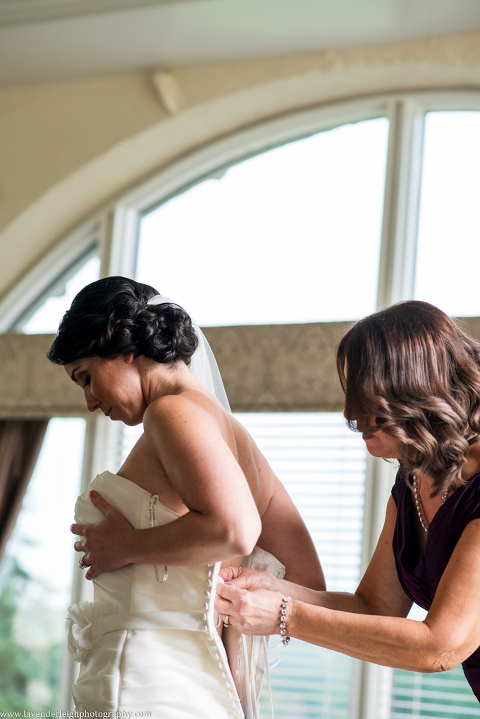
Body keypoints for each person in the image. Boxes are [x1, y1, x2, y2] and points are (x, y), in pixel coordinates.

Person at [47, 276, 324, 718]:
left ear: (124, 346)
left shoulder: (170, 410)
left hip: (145, 683)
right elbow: (308, 581)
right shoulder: (235, 436)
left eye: (86, 378)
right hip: (201, 685)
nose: (89, 402)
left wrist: (125, 546)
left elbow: (236, 530)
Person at [215, 300, 480, 703]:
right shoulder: (411, 482)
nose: (348, 412)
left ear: (414, 388)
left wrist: (285, 616)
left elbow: (441, 646)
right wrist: (277, 590)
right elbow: (374, 606)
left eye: (363, 396)